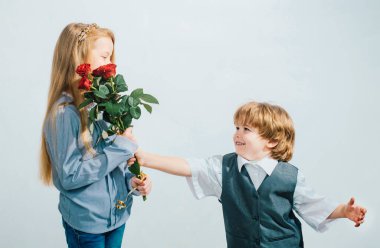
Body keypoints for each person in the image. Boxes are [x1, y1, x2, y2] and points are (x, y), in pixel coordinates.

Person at [129, 101, 366, 248]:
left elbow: (314, 205)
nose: (237, 134)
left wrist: (344, 211)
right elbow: (189, 166)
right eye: (237, 127)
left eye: (247, 129)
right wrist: (146, 158)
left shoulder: (289, 176)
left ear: (272, 141)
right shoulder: (223, 168)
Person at [40, 23, 152, 248]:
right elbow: (70, 176)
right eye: (105, 56)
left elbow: (107, 163)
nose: (111, 65)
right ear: (78, 57)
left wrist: (132, 181)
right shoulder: (64, 114)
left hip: (116, 218)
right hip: (88, 225)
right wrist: (121, 147)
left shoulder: (98, 105)